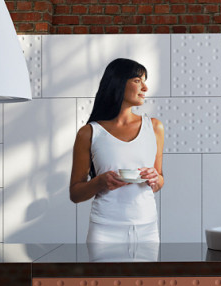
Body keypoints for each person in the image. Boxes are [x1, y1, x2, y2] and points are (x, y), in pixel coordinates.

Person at [69, 58, 164, 243]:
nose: (145, 88)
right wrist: (100, 182)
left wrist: (155, 179)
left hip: (147, 230)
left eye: (145, 81)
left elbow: (159, 180)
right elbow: (75, 194)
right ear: (118, 83)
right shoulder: (89, 132)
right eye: (137, 80)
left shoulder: (154, 127)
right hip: (104, 230)